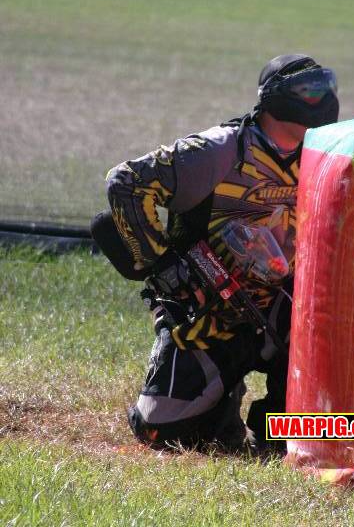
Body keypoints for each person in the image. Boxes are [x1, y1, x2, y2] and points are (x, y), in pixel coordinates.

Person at [91, 53, 339, 451]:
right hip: (208, 311)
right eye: (309, 91)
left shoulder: (327, 154)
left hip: (286, 306)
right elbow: (125, 182)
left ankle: (277, 430)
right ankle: (221, 401)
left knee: (335, 339)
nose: (322, 101)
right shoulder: (220, 149)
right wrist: (164, 266)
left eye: (326, 88)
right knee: (160, 430)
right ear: (274, 98)